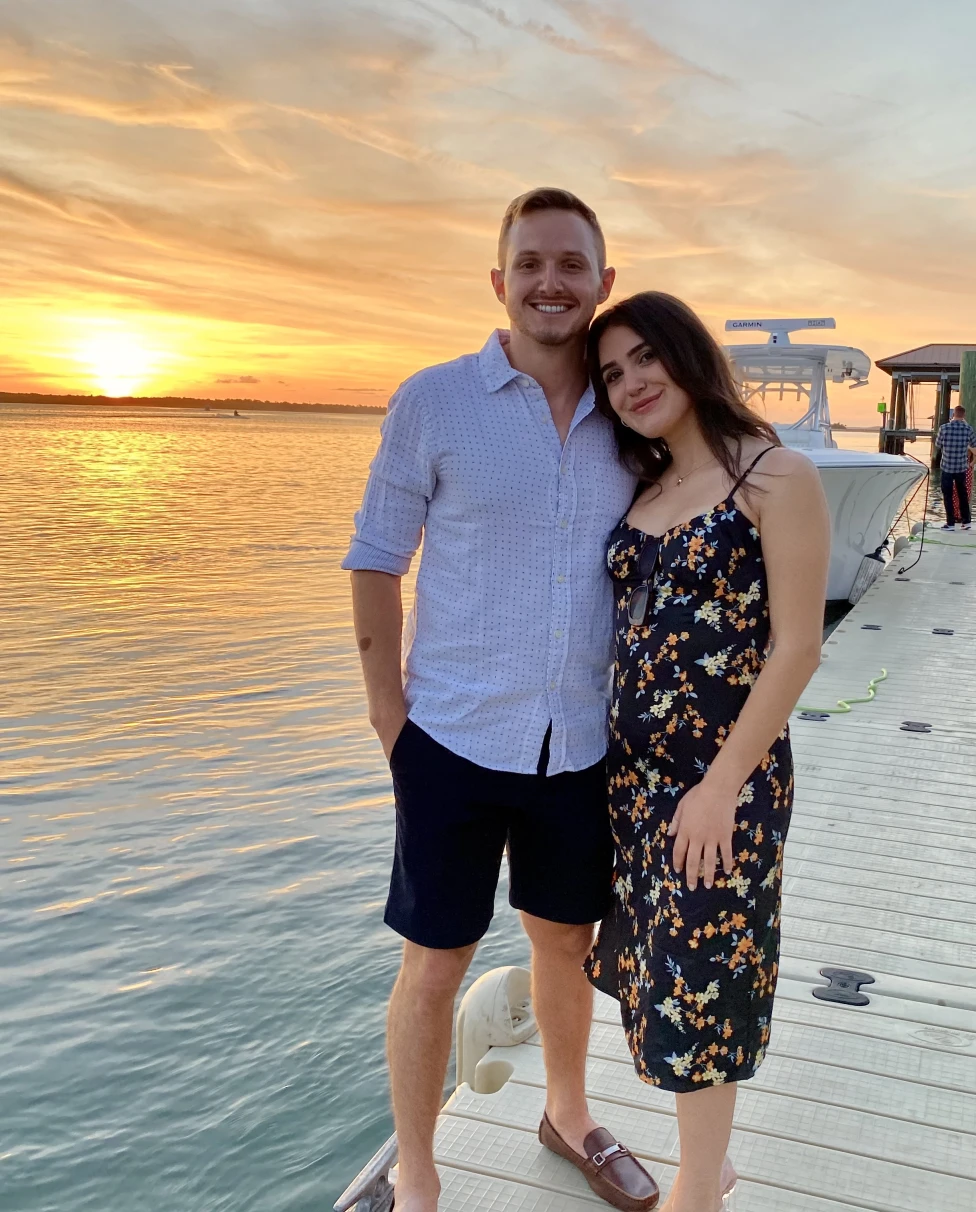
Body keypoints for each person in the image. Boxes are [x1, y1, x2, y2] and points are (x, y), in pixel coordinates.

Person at [343, 190, 659, 1212]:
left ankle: (568, 1117)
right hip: (449, 739)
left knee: (565, 945)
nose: (550, 282)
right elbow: (375, 562)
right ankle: (419, 1174)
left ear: (603, 284)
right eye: (530, 263)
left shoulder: (633, 414)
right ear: (499, 281)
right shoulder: (433, 403)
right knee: (434, 965)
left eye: (572, 264)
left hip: (579, 744)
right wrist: (390, 719)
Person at [583, 292, 829, 1212]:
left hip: (722, 782)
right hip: (634, 787)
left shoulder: (774, 475)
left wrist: (721, 785)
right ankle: (708, 1159)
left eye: (647, 358)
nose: (631, 382)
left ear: (689, 357)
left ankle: (699, 1192)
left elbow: (797, 646)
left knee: (703, 985)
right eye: (611, 373)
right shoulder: (643, 489)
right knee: (658, 971)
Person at [935, 403, 976, 531]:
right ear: (963, 415)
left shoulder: (944, 428)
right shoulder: (968, 429)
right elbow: (974, 444)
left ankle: (951, 523)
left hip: (947, 466)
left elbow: (938, 444)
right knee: (962, 494)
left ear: (953, 415)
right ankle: (967, 521)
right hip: (961, 467)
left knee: (947, 495)